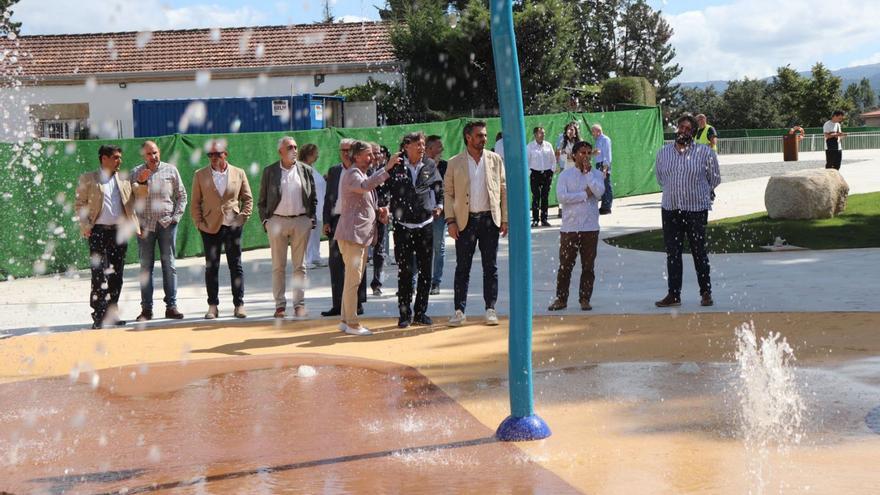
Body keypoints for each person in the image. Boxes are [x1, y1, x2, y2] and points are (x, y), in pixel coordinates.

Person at [444, 120, 508, 327]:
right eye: (479, 135)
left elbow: (503, 190)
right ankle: (459, 311)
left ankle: (490, 309)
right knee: (463, 267)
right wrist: (450, 220)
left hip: (490, 220)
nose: (484, 139)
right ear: (468, 138)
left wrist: (504, 218)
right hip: (465, 221)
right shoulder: (454, 162)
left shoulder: (495, 159)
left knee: (491, 267)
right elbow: (448, 193)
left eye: (485, 135)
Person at [654, 114, 721, 308]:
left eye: (688, 129)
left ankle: (706, 293)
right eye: (681, 128)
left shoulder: (704, 153)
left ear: (694, 132)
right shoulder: (664, 153)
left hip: (696, 210)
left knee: (699, 251)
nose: (683, 131)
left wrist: (700, 193)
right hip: (671, 208)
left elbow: (714, 179)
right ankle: (673, 294)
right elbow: (660, 178)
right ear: (676, 129)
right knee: (672, 253)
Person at [75, 144, 140, 329]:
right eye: (116, 157)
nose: (120, 161)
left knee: (116, 274)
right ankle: (99, 315)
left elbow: (135, 199)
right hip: (98, 231)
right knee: (98, 274)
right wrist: (86, 226)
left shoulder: (124, 178)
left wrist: (143, 184)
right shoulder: (88, 179)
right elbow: (80, 204)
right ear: (104, 158)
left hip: (119, 231)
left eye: (120, 157)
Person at [334, 140, 394, 335]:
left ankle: (345, 320)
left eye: (372, 155)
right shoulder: (353, 173)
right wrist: (387, 168)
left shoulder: (360, 173)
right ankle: (352, 323)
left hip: (358, 235)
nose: (372, 158)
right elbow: (365, 186)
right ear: (356, 156)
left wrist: (379, 210)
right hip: (353, 236)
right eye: (368, 155)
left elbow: (364, 200)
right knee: (353, 280)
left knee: (352, 279)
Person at [385, 131, 444, 328]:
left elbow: (438, 188)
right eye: (417, 144)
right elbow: (385, 188)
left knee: (425, 272)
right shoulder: (396, 164)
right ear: (406, 146)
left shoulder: (429, 164)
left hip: (425, 226)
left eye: (423, 144)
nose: (421, 147)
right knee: (405, 272)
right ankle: (404, 315)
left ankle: (420, 312)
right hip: (403, 227)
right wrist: (385, 207)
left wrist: (440, 205)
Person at [190, 139, 253, 319]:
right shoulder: (200, 175)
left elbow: (248, 198)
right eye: (210, 154)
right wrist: (199, 223)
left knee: (236, 265)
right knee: (212, 267)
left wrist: (242, 217)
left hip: (233, 225)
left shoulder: (239, 173)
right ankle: (212, 306)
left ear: (226, 154)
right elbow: (195, 203)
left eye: (217, 154)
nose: (214, 157)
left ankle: (239, 304)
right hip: (210, 227)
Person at [259, 137, 318, 319]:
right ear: (280, 152)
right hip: (277, 221)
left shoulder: (306, 170)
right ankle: (280, 306)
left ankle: (299, 304)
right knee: (278, 266)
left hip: (301, 221)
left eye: (295, 147)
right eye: (289, 147)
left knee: (300, 267)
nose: (293, 150)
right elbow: (262, 201)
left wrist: (311, 219)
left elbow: (313, 197)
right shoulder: (270, 171)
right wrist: (266, 222)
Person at [130, 140, 187, 322]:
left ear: (159, 152)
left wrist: (175, 218)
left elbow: (182, 195)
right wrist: (141, 182)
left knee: (169, 266)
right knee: (146, 268)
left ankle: (171, 306)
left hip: (166, 225)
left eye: (155, 152)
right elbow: (130, 200)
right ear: (143, 155)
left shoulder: (171, 170)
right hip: (145, 226)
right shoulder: (136, 173)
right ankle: (146, 310)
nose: (153, 157)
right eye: (148, 154)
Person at [547, 141, 604, 311]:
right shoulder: (565, 175)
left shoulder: (596, 174)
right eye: (582, 153)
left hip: (590, 228)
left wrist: (588, 175)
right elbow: (562, 198)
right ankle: (561, 299)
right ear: (574, 155)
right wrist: (584, 194)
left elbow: (599, 193)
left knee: (588, 266)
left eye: (588, 153)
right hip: (569, 229)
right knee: (565, 265)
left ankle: (585, 299)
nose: (586, 156)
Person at [321, 138, 366, 317]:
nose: (346, 153)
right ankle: (338, 304)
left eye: (349, 150)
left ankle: (358, 303)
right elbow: (328, 198)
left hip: (356, 221)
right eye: (343, 150)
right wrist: (326, 221)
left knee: (357, 262)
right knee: (336, 263)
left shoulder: (362, 170)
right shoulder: (334, 171)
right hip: (336, 221)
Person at [425, 135, 448, 294]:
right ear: (429, 149)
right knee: (419, 248)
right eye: (439, 147)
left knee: (438, 248)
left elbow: (448, 188)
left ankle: (436, 282)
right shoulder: (421, 165)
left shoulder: (446, 166)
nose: (442, 150)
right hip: (422, 214)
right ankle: (415, 281)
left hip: (439, 214)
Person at [368, 143, 391, 296]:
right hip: (366, 216)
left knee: (380, 251)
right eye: (374, 153)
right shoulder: (363, 171)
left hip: (382, 214)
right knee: (363, 251)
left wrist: (387, 208)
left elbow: (391, 192)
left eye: (380, 153)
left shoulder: (387, 171)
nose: (378, 156)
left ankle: (377, 283)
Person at [299, 143, 327, 268]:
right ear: (309, 154)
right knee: (309, 234)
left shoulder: (312, 167)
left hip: (319, 205)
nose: (318, 156)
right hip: (309, 207)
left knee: (315, 234)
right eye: (315, 153)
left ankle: (315, 256)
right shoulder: (301, 168)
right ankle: (307, 260)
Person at [527, 126, 556, 227]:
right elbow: (526, 161)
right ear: (535, 135)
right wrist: (530, 173)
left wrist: (551, 171)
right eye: (541, 133)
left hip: (547, 173)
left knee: (545, 196)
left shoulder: (548, 145)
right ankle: (535, 219)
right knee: (536, 196)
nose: (543, 135)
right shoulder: (530, 146)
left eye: (543, 133)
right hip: (535, 174)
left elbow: (553, 159)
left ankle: (544, 219)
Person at [591, 124, 613, 215]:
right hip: (598, 164)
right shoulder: (597, 140)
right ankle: (604, 205)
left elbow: (607, 154)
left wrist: (605, 167)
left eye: (593, 131)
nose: (592, 133)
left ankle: (607, 207)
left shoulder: (605, 139)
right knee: (602, 185)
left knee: (606, 185)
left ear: (598, 131)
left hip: (603, 165)